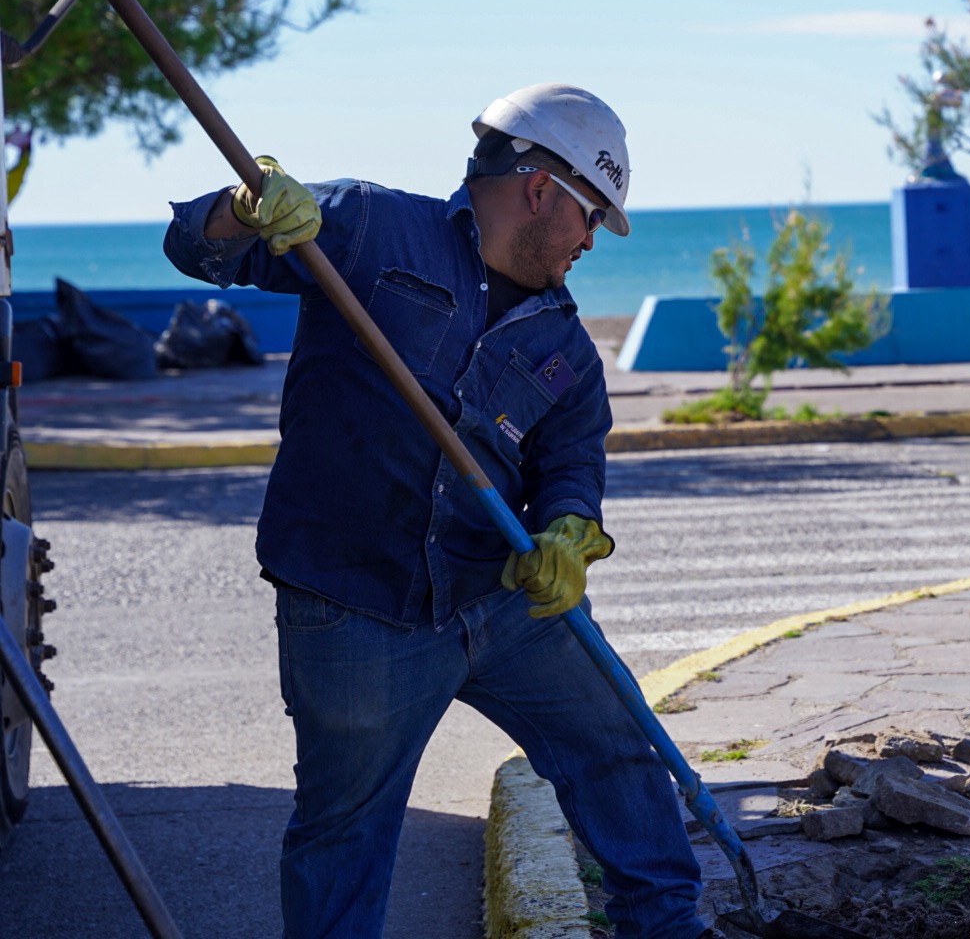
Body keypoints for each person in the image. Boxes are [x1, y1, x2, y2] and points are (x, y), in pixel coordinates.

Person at [164, 84, 714, 938]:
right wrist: (242, 211)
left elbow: (572, 461)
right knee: (343, 835)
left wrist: (568, 529)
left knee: (616, 751)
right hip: (354, 609)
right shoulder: (363, 229)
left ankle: (669, 928)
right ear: (543, 192)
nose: (592, 242)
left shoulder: (565, 346)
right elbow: (196, 250)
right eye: (593, 217)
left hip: (501, 598)